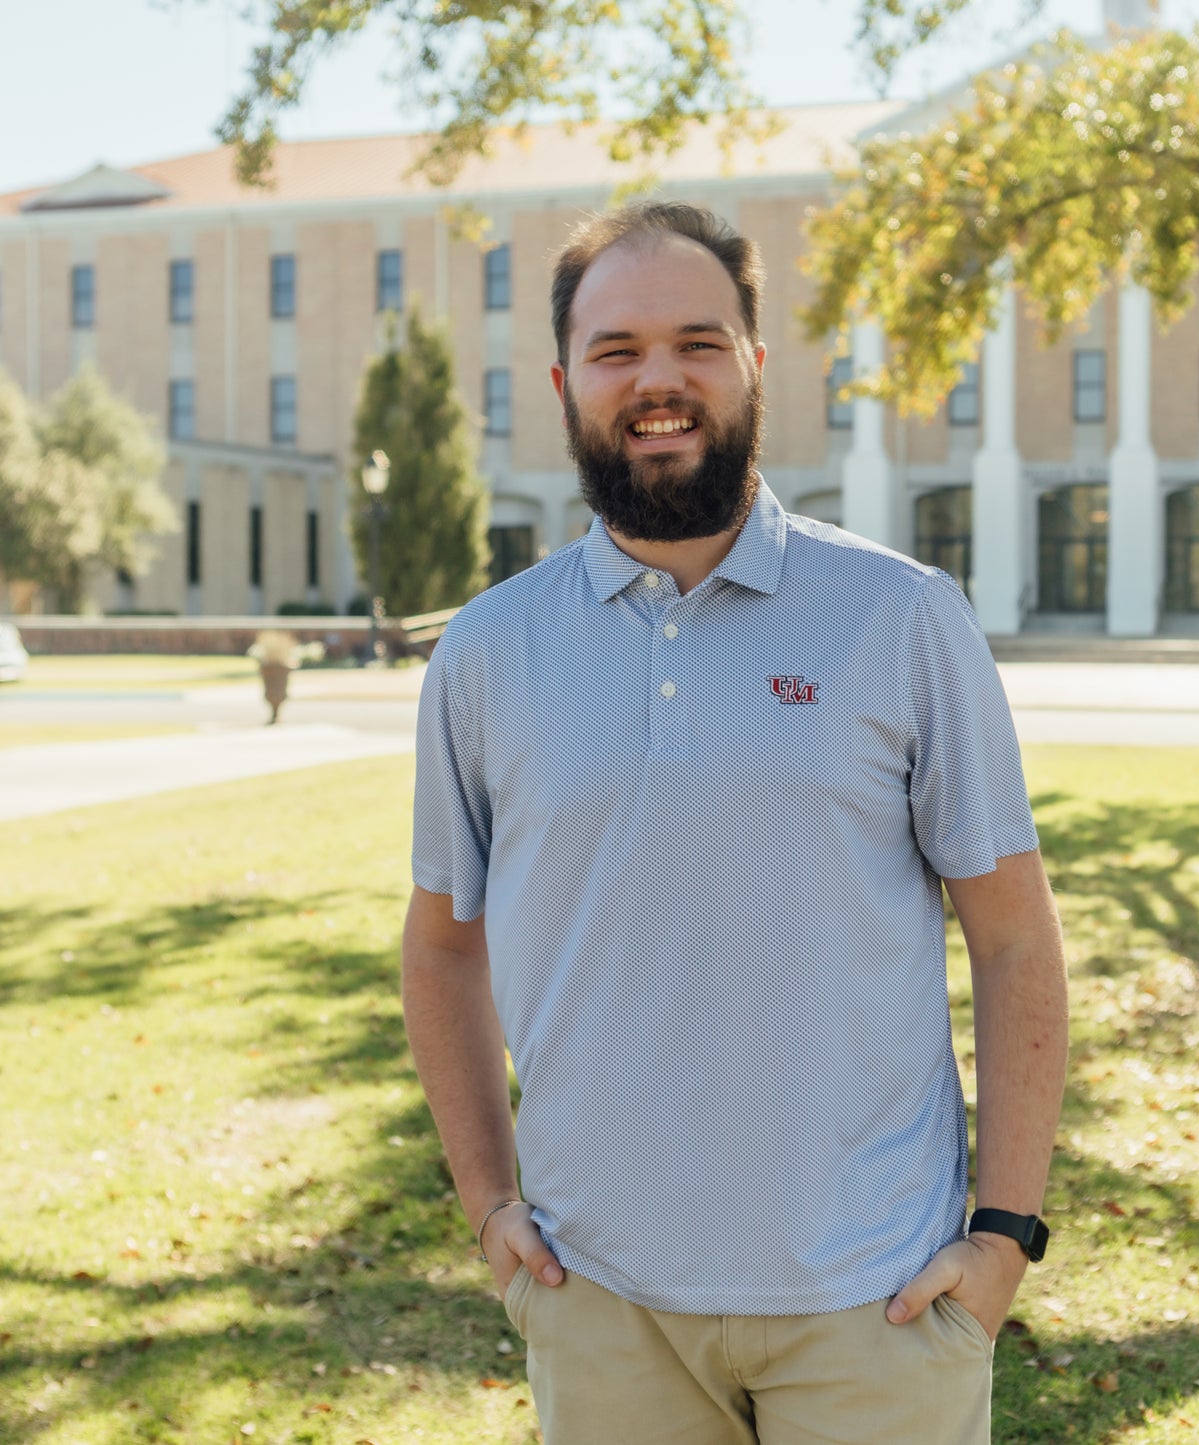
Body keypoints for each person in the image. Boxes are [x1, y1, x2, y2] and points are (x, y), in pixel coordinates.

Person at [403, 201, 1069, 1445]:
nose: (657, 380)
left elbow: (1015, 937)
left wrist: (1002, 1234)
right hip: (601, 1302)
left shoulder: (901, 619)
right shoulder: (486, 653)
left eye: (697, 343)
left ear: (756, 364)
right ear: (563, 382)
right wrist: (490, 1204)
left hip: (877, 1300)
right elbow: (443, 946)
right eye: (615, 350)